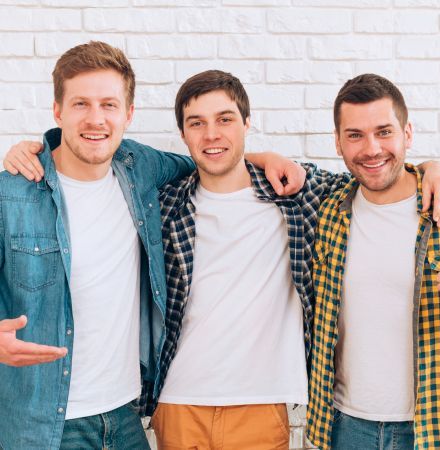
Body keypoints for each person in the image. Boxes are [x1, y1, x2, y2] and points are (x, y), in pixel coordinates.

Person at [4, 69, 440, 449]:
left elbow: (375, 177)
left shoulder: (295, 196)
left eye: (225, 120)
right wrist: (36, 148)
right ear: (182, 135)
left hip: (261, 404)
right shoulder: (161, 200)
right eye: (197, 123)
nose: (212, 134)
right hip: (177, 402)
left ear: (247, 123)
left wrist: (433, 167)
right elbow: (90, 162)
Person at [0, 42, 301, 450]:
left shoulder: (138, 169)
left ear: (128, 113)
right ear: (57, 111)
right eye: (80, 104)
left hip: (126, 418)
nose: (96, 119)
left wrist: (264, 156)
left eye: (108, 104)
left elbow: (210, 159)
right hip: (44, 425)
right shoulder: (11, 194)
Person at [307, 74, 440, 450]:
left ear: (408, 133)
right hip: (343, 426)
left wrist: (437, 166)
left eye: (384, 132)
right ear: (337, 143)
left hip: (433, 428)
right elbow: (245, 166)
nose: (371, 149)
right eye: (355, 135)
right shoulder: (327, 206)